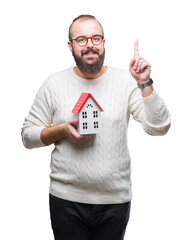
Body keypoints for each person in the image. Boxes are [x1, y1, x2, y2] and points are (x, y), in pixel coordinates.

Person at [21, 15, 171, 240]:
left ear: (103, 42)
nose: (90, 44)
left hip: (115, 202)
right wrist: (62, 130)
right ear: (70, 46)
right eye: (81, 39)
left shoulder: (126, 81)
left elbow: (159, 127)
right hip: (66, 201)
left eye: (95, 38)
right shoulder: (54, 83)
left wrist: (144, 83)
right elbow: (27, 136)